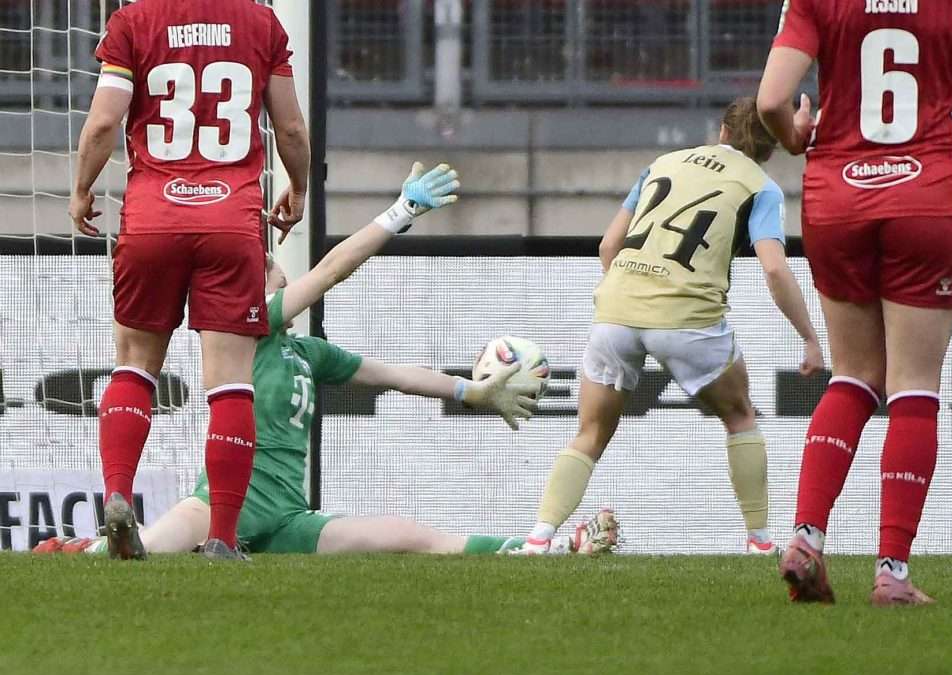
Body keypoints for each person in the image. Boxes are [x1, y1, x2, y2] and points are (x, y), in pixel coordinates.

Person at [41, 165, 612, 559]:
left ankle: (544, 547)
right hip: (223, 503)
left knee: (410, 536)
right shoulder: (253, 326)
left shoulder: (306, 352)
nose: (275, 270)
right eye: (263, 265)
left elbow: (392, 376)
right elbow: (333, 269)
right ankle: (80, 549)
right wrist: (400, 211)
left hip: (288, 516)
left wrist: (471, 392)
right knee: (147, 550)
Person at [758, 0, 952, 606]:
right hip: (924, 195)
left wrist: (793, 137)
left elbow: (773, 100)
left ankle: (805, 537)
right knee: (914, 385)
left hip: (838, 195)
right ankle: (892, 572)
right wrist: (941, 69)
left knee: (852, 376)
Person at [516, 97, 824, 556]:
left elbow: (608, 246)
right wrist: (809, 337)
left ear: (722, 131)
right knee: (740, 416)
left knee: (590, 432)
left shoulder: (664, 163)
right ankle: (760, 543)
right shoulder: (761, 187)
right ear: (771, 147)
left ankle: (538, 538)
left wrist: (628, 297)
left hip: (617, 306)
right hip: (687, 316)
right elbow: (775, 270)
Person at [69, 0, 309, 559]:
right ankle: (223, 537)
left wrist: (82, 188)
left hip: (154, 218)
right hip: (231, 222)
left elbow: (104, 122)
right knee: (230, 383)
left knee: (135, 364)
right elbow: (291, 128)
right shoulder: (260, 23)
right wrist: (297, 188)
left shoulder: (134, 21)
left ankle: (118, 494)